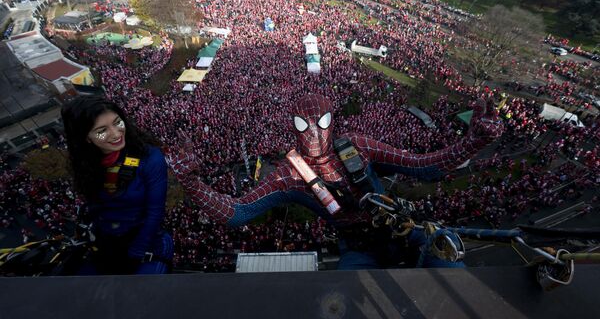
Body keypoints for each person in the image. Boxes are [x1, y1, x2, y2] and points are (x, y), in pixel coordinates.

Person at [169, 94, 503, 269]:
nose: (313, 131)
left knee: (452, 272)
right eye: (304, 125)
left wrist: (474, 141)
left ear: (334, 122)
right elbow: (239, 212)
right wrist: (192, 182)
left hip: (404, 229)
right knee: (347, 297)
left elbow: (423, 167)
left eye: (322, 121)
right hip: (358, 250)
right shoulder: (290, 175)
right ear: (293, 127)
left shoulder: (359, 146)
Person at [61, 95, 173, 275]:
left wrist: (135, 252)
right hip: (105, 240)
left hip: (146, 241)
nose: (116, 133)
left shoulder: (150, 158)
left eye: (117, 122)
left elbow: (155, 212)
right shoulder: (86, 163)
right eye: (102, 130)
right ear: (86, 138)